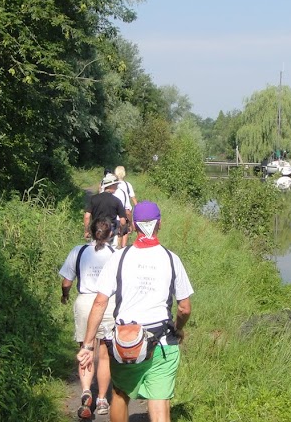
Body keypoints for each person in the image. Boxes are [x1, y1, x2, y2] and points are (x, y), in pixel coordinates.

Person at [77, 201, 194, 422]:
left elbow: (100, 303)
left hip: (126, 343)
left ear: (132, 226)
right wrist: (178, 329)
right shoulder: (171, 259)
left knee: (120, 394)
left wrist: (88, 344)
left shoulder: (119, 257)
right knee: (159, 400)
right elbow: (184, 307)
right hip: (162, 342)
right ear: (159, 224)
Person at [59, 218, 118, 419]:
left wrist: (65, 295)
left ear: (90, 232)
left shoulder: (78, 251)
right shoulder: (115, 255)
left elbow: (66, 282)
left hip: (85, 303)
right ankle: (102, 399)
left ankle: (85, 392)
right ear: (111, 234)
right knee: (104, 354)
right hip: (108, 303)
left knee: (86, 349)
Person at [84, 173, 127, 244]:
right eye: (116, 185)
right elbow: (122, 221)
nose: (117, 187)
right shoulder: (116, 201)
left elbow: (87, 216)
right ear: (111, 186)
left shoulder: (94, 199)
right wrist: (121, 232)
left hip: (96, 228)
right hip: (110, 230)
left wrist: (86, 231)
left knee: (94, 247)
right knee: (109, 250)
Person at [113, 166, 138, 249]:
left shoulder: (112, 185)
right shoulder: (127, 185)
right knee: (125, 232)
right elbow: (133, 200)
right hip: (124, 215)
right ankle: (123, 250)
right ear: (124, 174)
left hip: (112, 215)